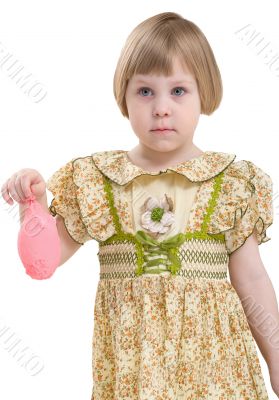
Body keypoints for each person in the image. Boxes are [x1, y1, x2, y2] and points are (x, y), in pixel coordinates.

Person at [1, 11, 279, 399]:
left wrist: (277, 361)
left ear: (205, 94)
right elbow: (41, 264)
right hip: (134, 377)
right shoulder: (97, 181)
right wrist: (33, 206)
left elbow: (252, 280)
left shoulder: (229, 183)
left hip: (217, 375)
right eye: (145, 92)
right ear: (125, 97)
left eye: (178, 91)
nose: (161, 108)